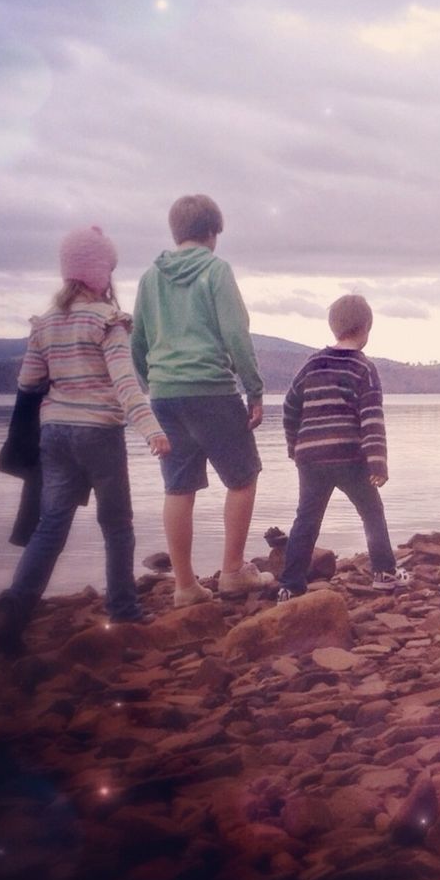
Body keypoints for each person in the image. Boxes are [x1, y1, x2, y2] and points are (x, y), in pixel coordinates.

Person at [0, 226, 168, 655]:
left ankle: (14, 614)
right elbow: (126, 384)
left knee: (51, 526)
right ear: (99, 274)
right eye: (108, 268)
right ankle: (123, 607)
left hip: (55, 435)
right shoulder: (108, 321)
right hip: (99, 435)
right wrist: (153, 430)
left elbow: (29, 381)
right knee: (117, 524)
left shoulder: (46, 324)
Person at [131, 194, 266, 607]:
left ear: (176, 232)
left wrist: (152, 383)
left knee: (178, 488)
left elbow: (137, 341)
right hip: (212, 390)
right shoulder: (215, 270)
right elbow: (236, 334)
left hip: (166, 395)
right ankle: (231, 572)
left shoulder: (150, 278)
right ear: (212, 233)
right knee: (243, 478)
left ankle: (185, 586)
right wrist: (254, 388)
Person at [278, 294, 410, 601]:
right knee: (371, 512)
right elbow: (371, 417)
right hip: (350, 456)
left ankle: (290, 586)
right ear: (366, 328)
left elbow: (289, 406)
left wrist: (294, 445)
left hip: (310, 457)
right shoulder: (363, 368)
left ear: (333, 327)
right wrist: (377, 462)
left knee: (306, 519)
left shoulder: (311, 364)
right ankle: (384, 573)